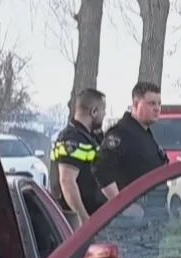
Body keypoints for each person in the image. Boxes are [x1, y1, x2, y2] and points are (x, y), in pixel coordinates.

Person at [99, 81, 169, 198]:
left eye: (159, 103)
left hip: (154, 208)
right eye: (151, 104)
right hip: (138, 211)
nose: (157, 108)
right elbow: (101, 169)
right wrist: (122, 205)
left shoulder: (145, 133)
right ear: (136, 104)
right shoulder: (121, 133)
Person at [52, 88, 109, 227]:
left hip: (95, 217)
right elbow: (67, 181)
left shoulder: (89, 136)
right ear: (94, 112)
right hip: (77, 221)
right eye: (103, 110)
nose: (105, 114)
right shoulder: (72, 139)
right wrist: (83, 218)